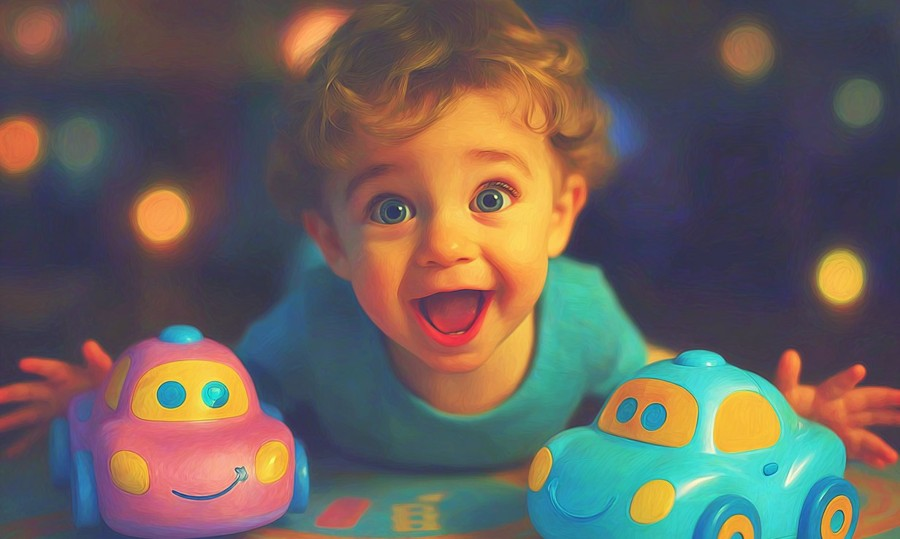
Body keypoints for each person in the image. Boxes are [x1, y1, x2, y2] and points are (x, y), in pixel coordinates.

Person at [1, 0, 898, 470]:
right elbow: (215, 400)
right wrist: (121, 397)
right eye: (393, 208)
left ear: (561, 213)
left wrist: (782, 415)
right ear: (337, 240)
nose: (445, 243)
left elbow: (672, 394)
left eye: (493, 195)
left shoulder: (581, 317)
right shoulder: (316, 321)